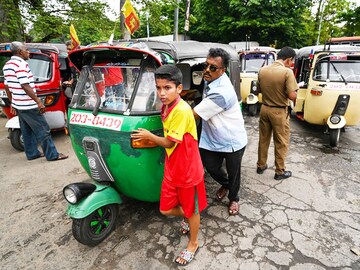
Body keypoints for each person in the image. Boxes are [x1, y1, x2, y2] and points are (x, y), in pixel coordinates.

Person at [131, 65, 207, 266]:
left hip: (188, 168)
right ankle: (192, 217)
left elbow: (169, 142)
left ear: (179, 89)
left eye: (167, 88)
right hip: (173, 165)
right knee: (166, 209)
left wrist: (149, 136)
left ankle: (193, 242)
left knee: (190, 209)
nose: (162, 93)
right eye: (158, 88)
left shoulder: (181, 110)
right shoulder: (166, 106)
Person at [193, 48, 247, 216]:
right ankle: (226, 184)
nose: (207, 70)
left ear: (223, 71)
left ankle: (234, 198)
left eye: (213, 67)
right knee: (211, 167)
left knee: (234, 172)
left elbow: (192, 115)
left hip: (231, 140)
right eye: (206, 65)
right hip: (212, 136)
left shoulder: (221, 92)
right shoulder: (211, 80)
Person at [3, 41, 68, 161]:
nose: (28, 52)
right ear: (20, 52)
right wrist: (38, 101)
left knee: (26, 130)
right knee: (43, 130)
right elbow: (25, 85)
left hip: (19, 105)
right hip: (28, 105)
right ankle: (52, 155)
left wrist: (13, 102)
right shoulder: (21, 65)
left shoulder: (7, 65)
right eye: (26, 50)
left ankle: (32, 153)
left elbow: (7, 86)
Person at [256, 46, 298, 180]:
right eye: (292, 61)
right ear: (289, 59)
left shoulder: (262, 70)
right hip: (279, 111)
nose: (292, 64)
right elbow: (292, 95)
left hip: (265, 108)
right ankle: (279, 171)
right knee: (281, 141)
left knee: (263, 139)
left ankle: (261, 165)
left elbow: (258, 90)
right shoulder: (287, 72)